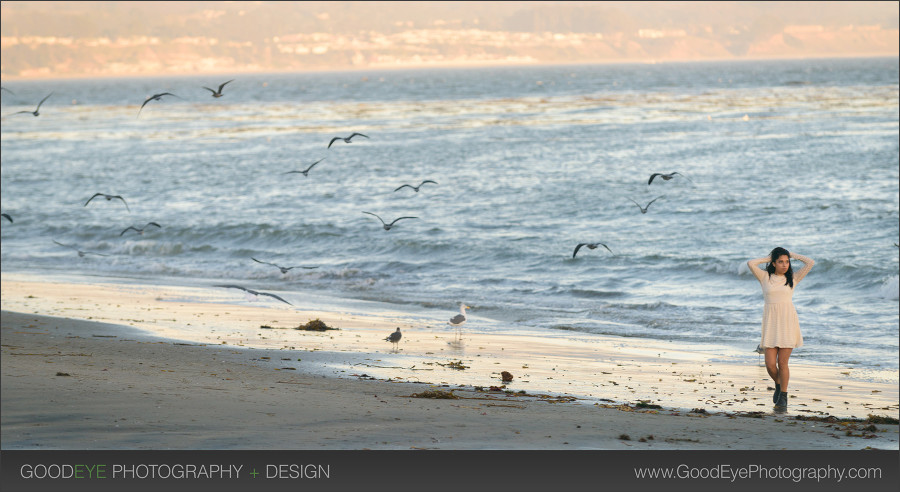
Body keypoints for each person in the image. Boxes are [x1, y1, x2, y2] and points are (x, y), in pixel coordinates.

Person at [747, 247, 814, 410]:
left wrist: (792, 255)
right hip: (771, 324)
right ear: (774, 263)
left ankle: (783, 395)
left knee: (783, 363)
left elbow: (810, 262)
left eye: (787, 262)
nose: (785, 265)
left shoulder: (793, 277)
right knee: (770, 364)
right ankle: (778, 383)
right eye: (781, 262)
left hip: (788, 323)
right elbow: (751, 263)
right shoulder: (764, 277)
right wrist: (768, 258)